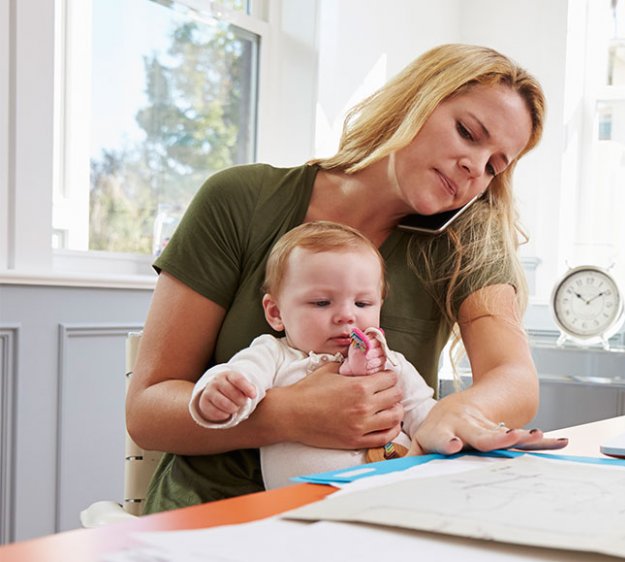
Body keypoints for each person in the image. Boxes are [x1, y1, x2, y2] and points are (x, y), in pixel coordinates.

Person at [126, 43, 564, 513]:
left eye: (495, 166)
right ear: (415, 99)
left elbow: (515, 379)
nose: (475, 168)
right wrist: (290, 415)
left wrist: (451, 414)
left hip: (370, 514)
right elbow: (148, 412)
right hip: (212, 517)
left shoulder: (465, 242)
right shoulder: (240, 200)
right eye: (467, 133)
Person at [190, 221, 435, 489]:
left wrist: (453, 437)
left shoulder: (390, 361)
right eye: (321, 302)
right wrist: (220, 394)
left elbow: (426, 415)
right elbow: (239, 376)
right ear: (275, 312)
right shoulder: (273, 355)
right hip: (306, 507)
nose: (347, 316)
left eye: (362, 303)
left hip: (394, 493)